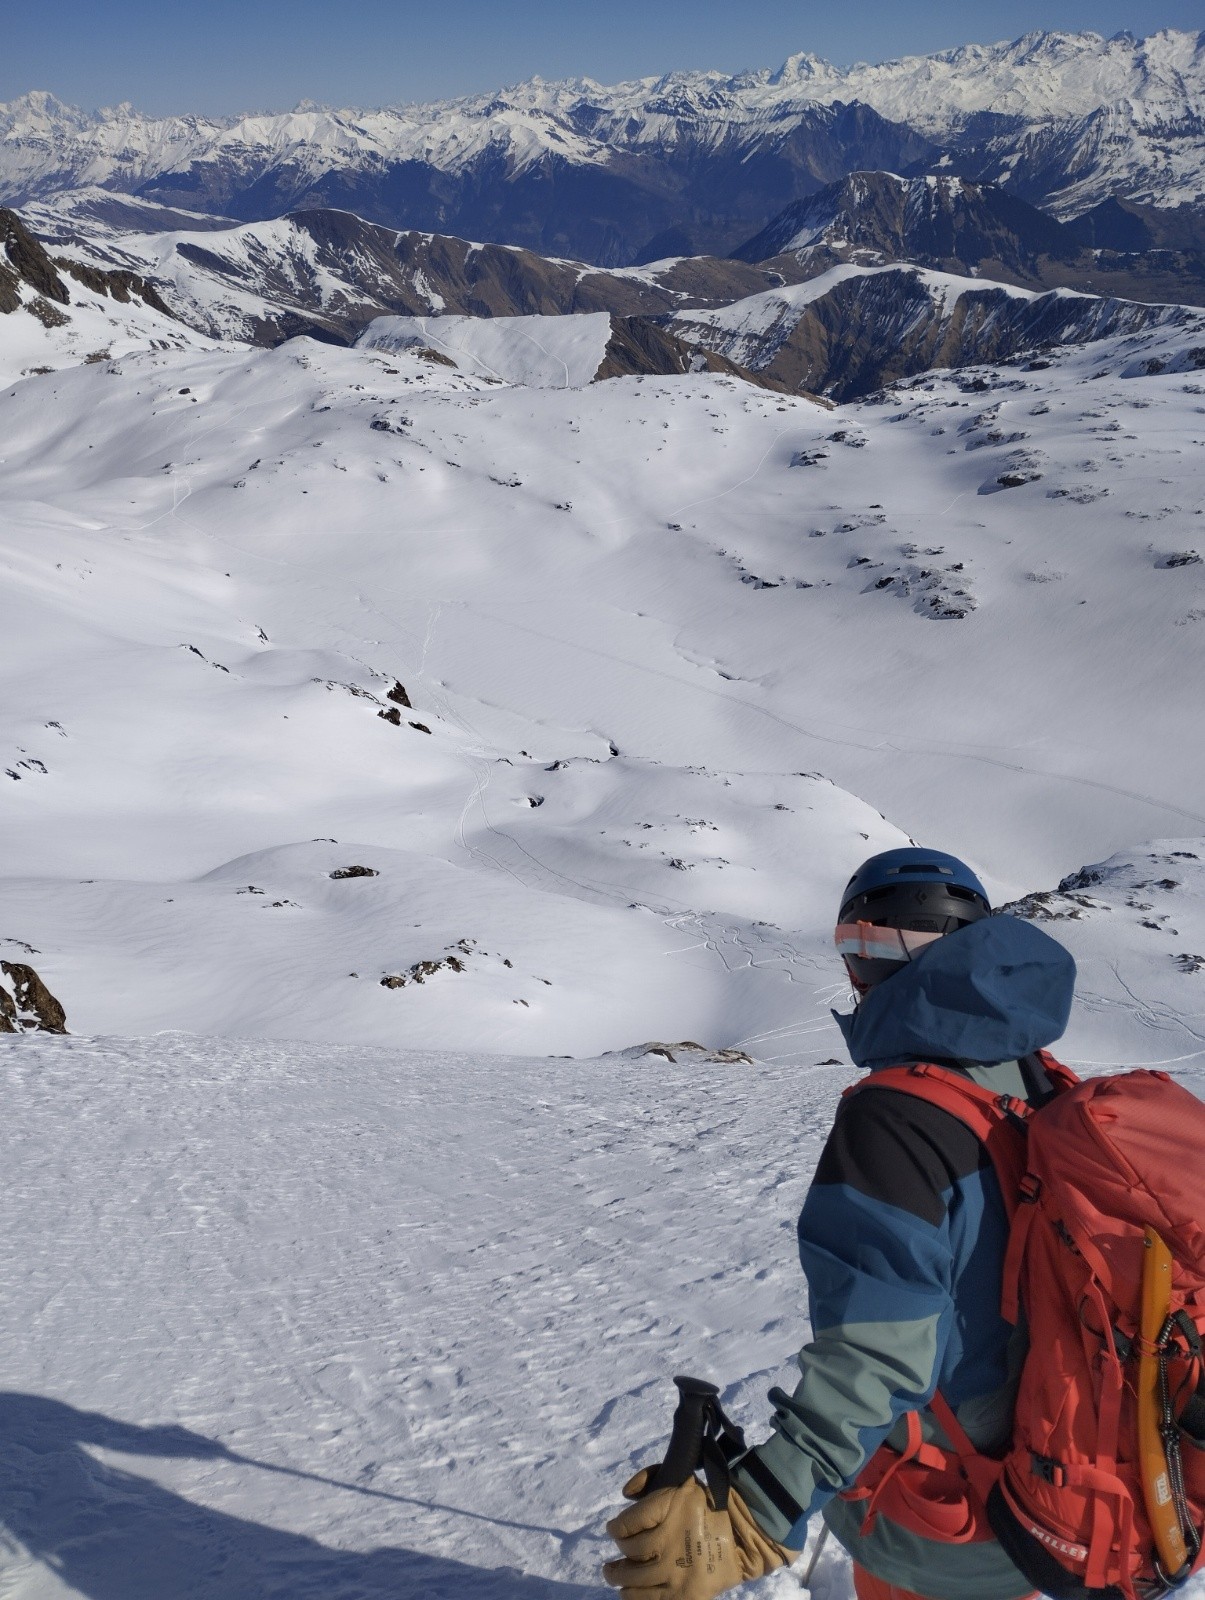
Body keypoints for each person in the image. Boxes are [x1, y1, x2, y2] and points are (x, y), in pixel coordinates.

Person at [603, 846, 1078, 1600]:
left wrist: (763, 1506)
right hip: (1059, 1491)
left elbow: (877, 1356)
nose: (857, 974)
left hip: (942, 1519)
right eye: (849, 948)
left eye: (866, 947)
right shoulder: (1037, 1079)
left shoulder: (895, 1118)